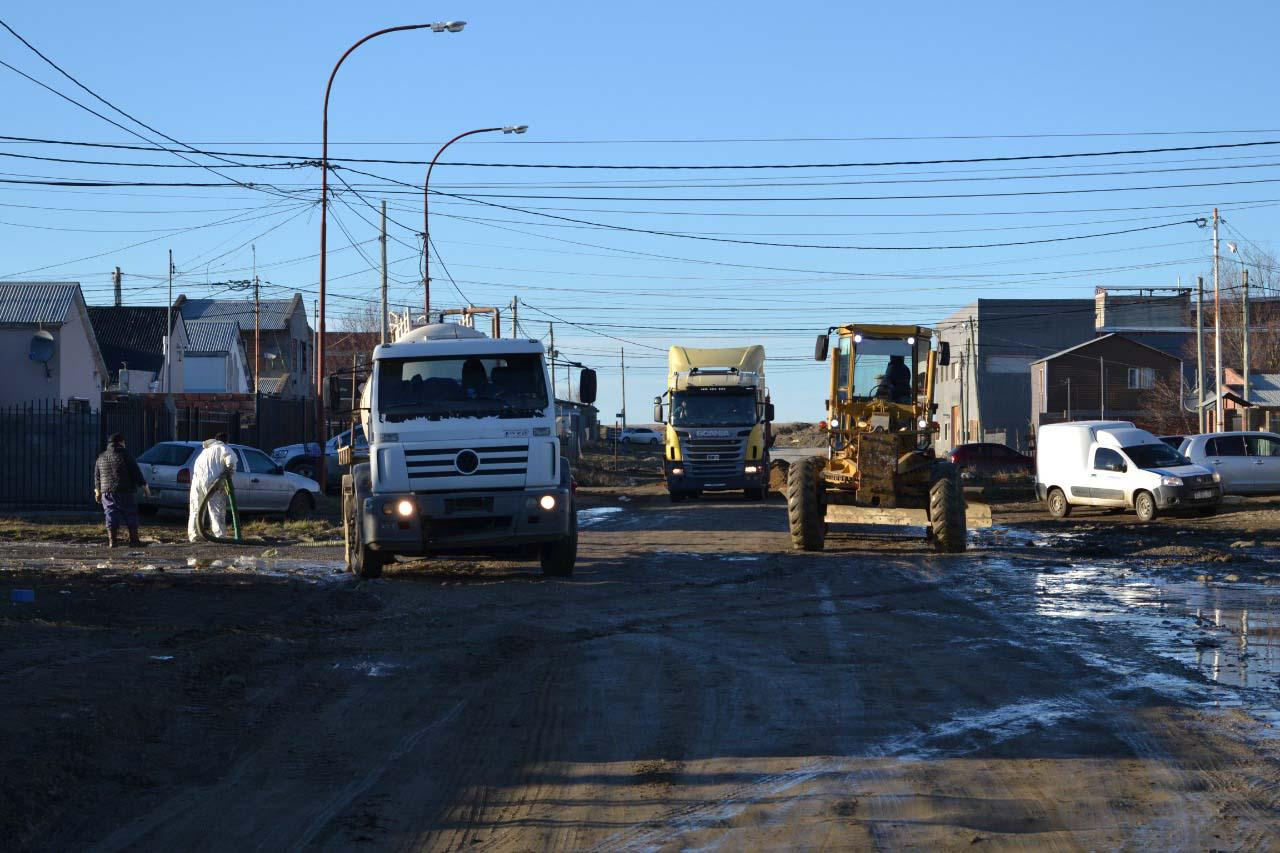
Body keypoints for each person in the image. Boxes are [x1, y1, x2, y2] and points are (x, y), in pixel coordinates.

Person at [94, 433, 147, 548]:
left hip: (106, 492)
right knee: (130, 513)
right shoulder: (125, 454)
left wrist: (98, 490)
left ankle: (112, 541)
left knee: (110, 513)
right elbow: (135, 471)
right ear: (121, 442)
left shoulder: (101, 456)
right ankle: (134, 540)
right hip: (125, 490)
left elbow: (97, 476)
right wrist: (144, 485)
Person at [188, 433, 238, 542]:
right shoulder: (225, 448)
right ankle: (219, 537)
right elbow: (231, 464)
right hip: (214, 482)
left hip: (197, 483)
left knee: (196, 509)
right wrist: (225, 475)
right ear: (226, 441)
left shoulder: (204, 451)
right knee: (216, 510)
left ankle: (194, 536)